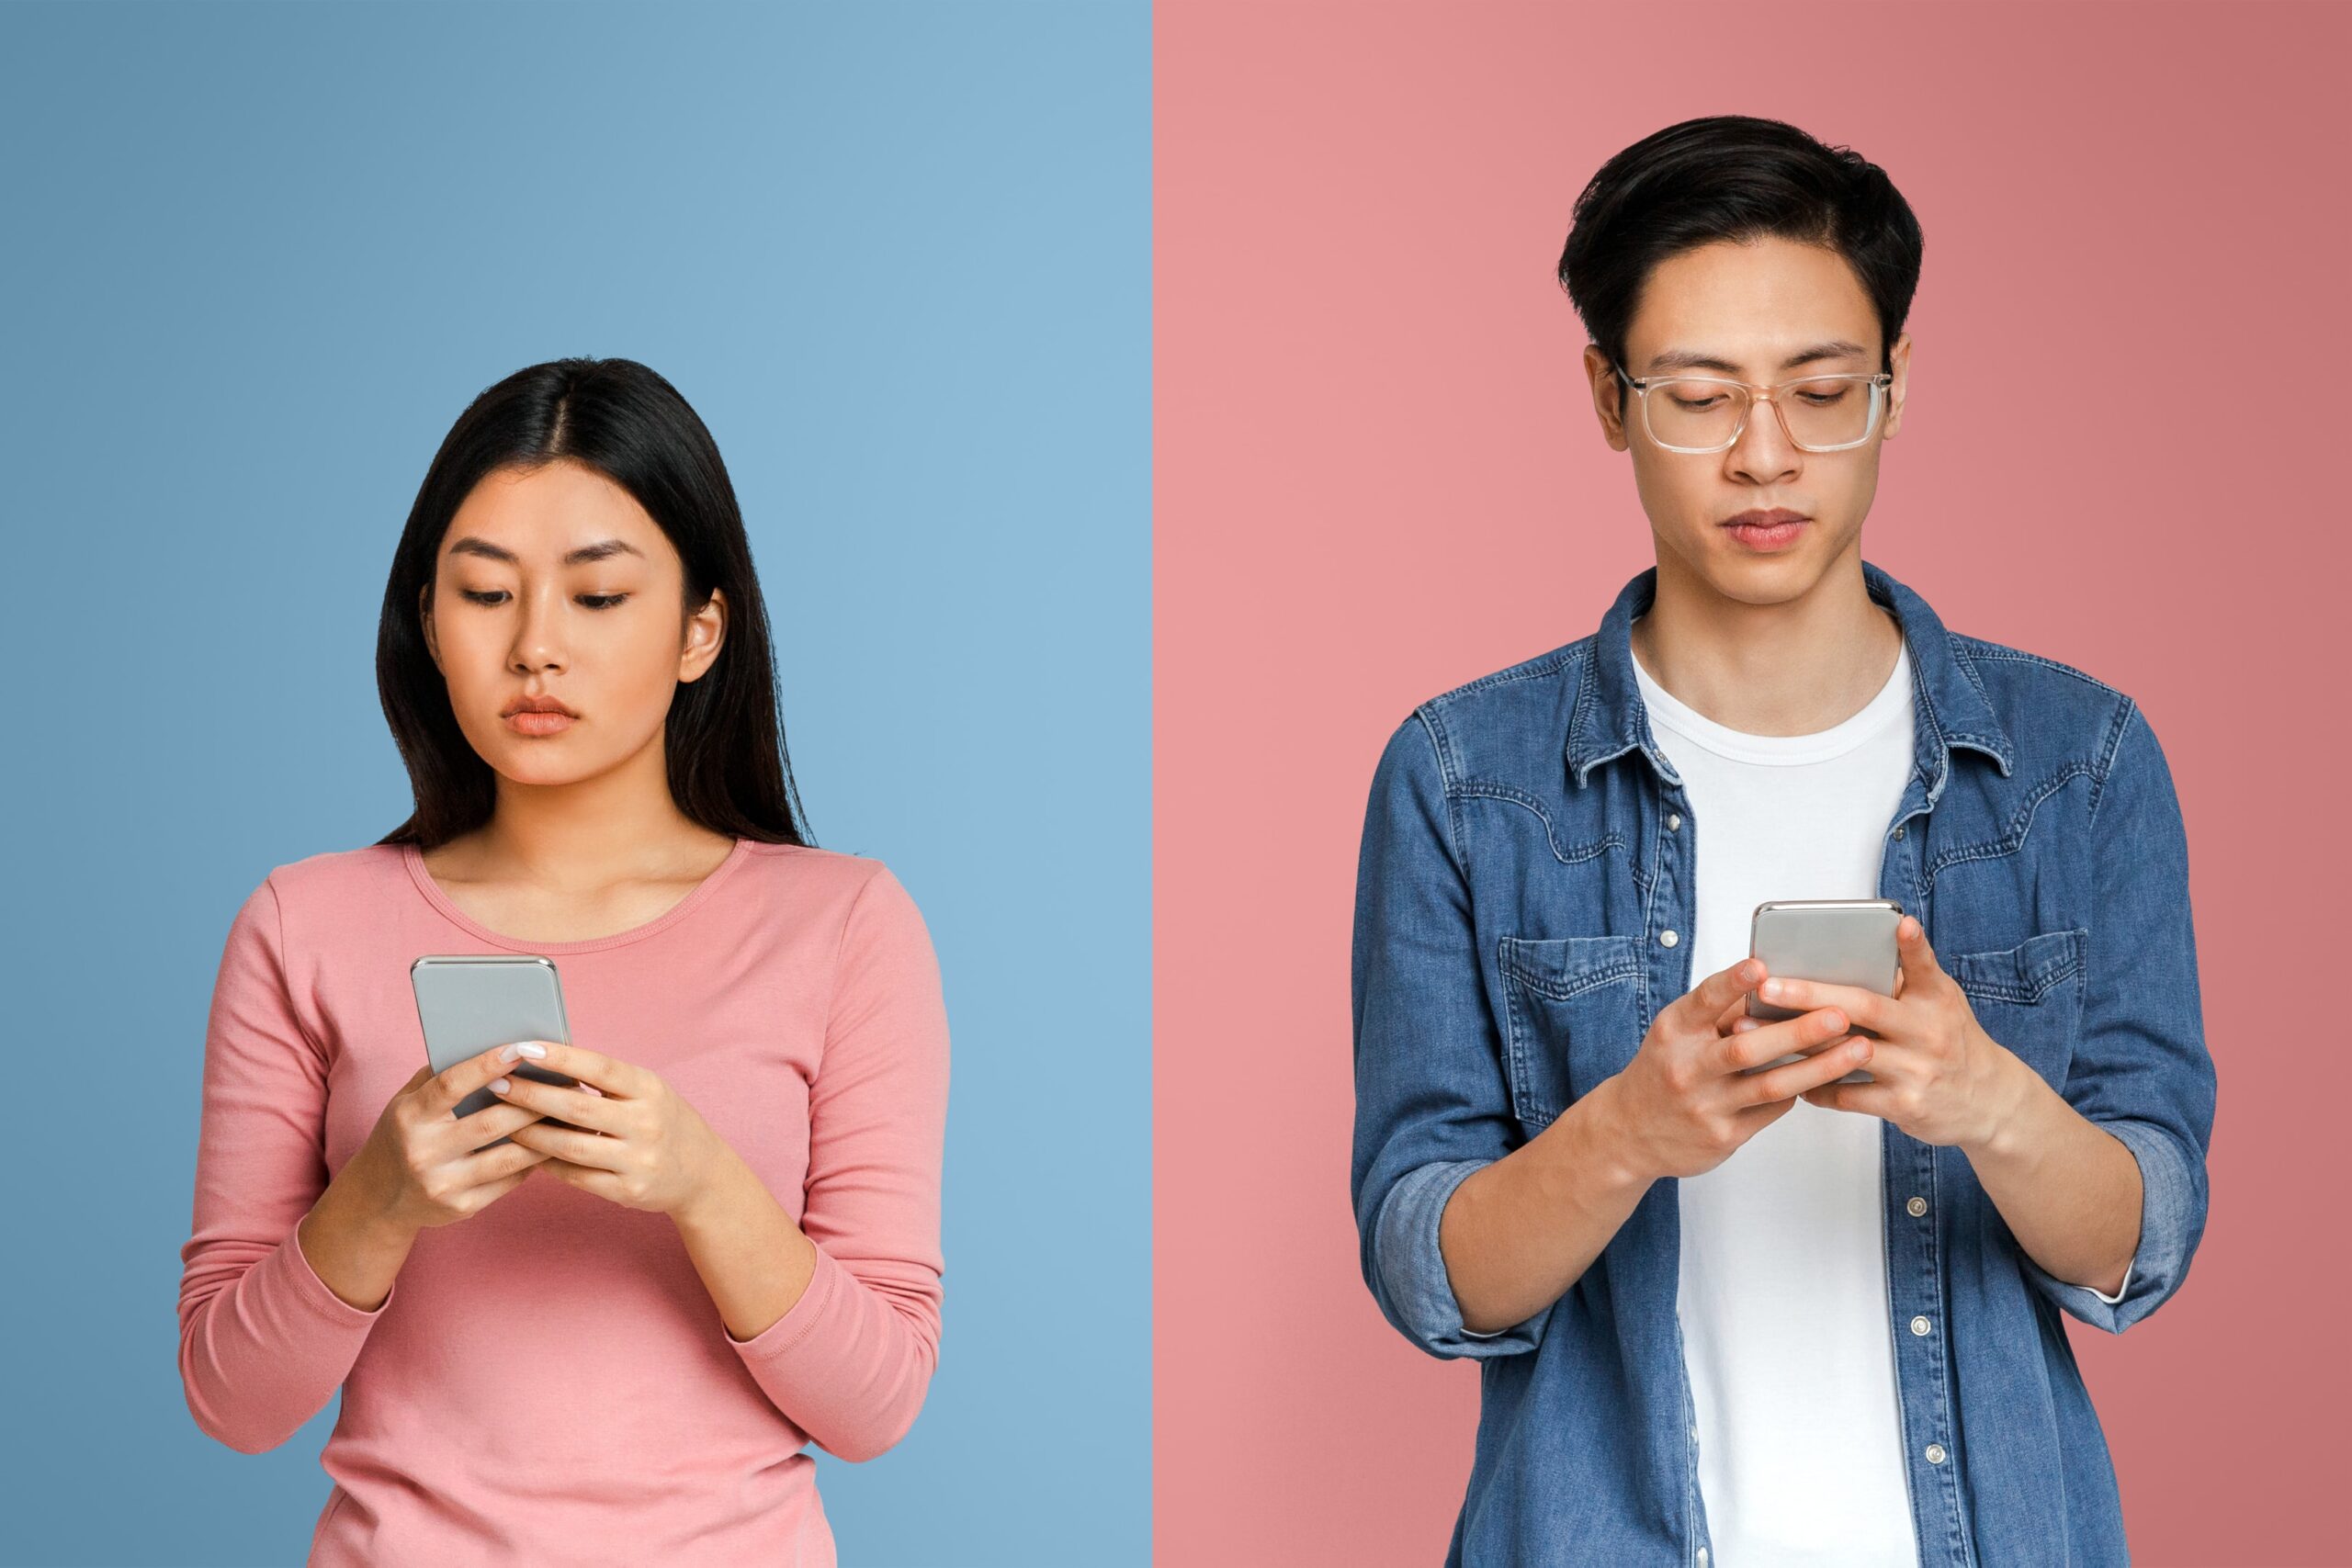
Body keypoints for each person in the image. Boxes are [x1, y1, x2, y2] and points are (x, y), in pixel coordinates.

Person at [1349, 116, 2214, 1568]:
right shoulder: (1461, 779)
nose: (1765, 456)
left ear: (1894, 387)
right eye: (1697, 395)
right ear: (1609, 401)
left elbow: (2142, 1239)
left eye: (1821, 392)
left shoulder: (2082, 762)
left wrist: (1983, 1098)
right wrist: (1630, 1132)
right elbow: (1426, 1268)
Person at [176, 357, 950, 1568]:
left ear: (702, 629)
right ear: (428, 620)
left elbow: (879, 1404)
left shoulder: (846, 925)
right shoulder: (304, 923)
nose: (535, 647)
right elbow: (231, 1402)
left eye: (597, 598)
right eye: (486, 594)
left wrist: (701, 1181)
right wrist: (377, 1200)